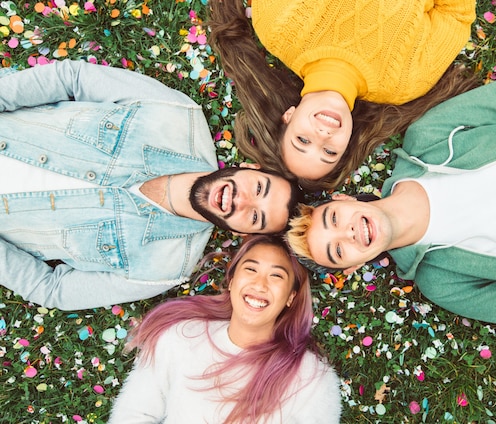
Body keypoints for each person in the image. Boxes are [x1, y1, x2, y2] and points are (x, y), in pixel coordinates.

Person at [287, 69, 496, 328]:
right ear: (354, 265)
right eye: (338, 250)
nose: (347, 232)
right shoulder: (442, 282)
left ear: (345, 201)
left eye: (333, 220)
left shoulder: (428, 138)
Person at [0, 60, 302, 310]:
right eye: (259, 188)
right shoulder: (177, 114)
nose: (243, 200)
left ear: (241, 231)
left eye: (254, 216)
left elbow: (54, 290)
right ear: (251, 168)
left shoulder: (163, 269)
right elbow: (73, 79)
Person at [208, 0, 478, 190]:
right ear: (347, 141)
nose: (322, 136)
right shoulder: (405, 84)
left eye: (302, 140)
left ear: (289, 116)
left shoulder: (277, 29)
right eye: (329, 151)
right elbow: (455, 14)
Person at [108, 234, 342, 424]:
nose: (259, 284)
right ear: (231, 281)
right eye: (251, 269)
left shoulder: (312, 377)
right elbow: (133, 415)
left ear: (291, 296)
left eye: (276, 276)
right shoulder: (181, 338)